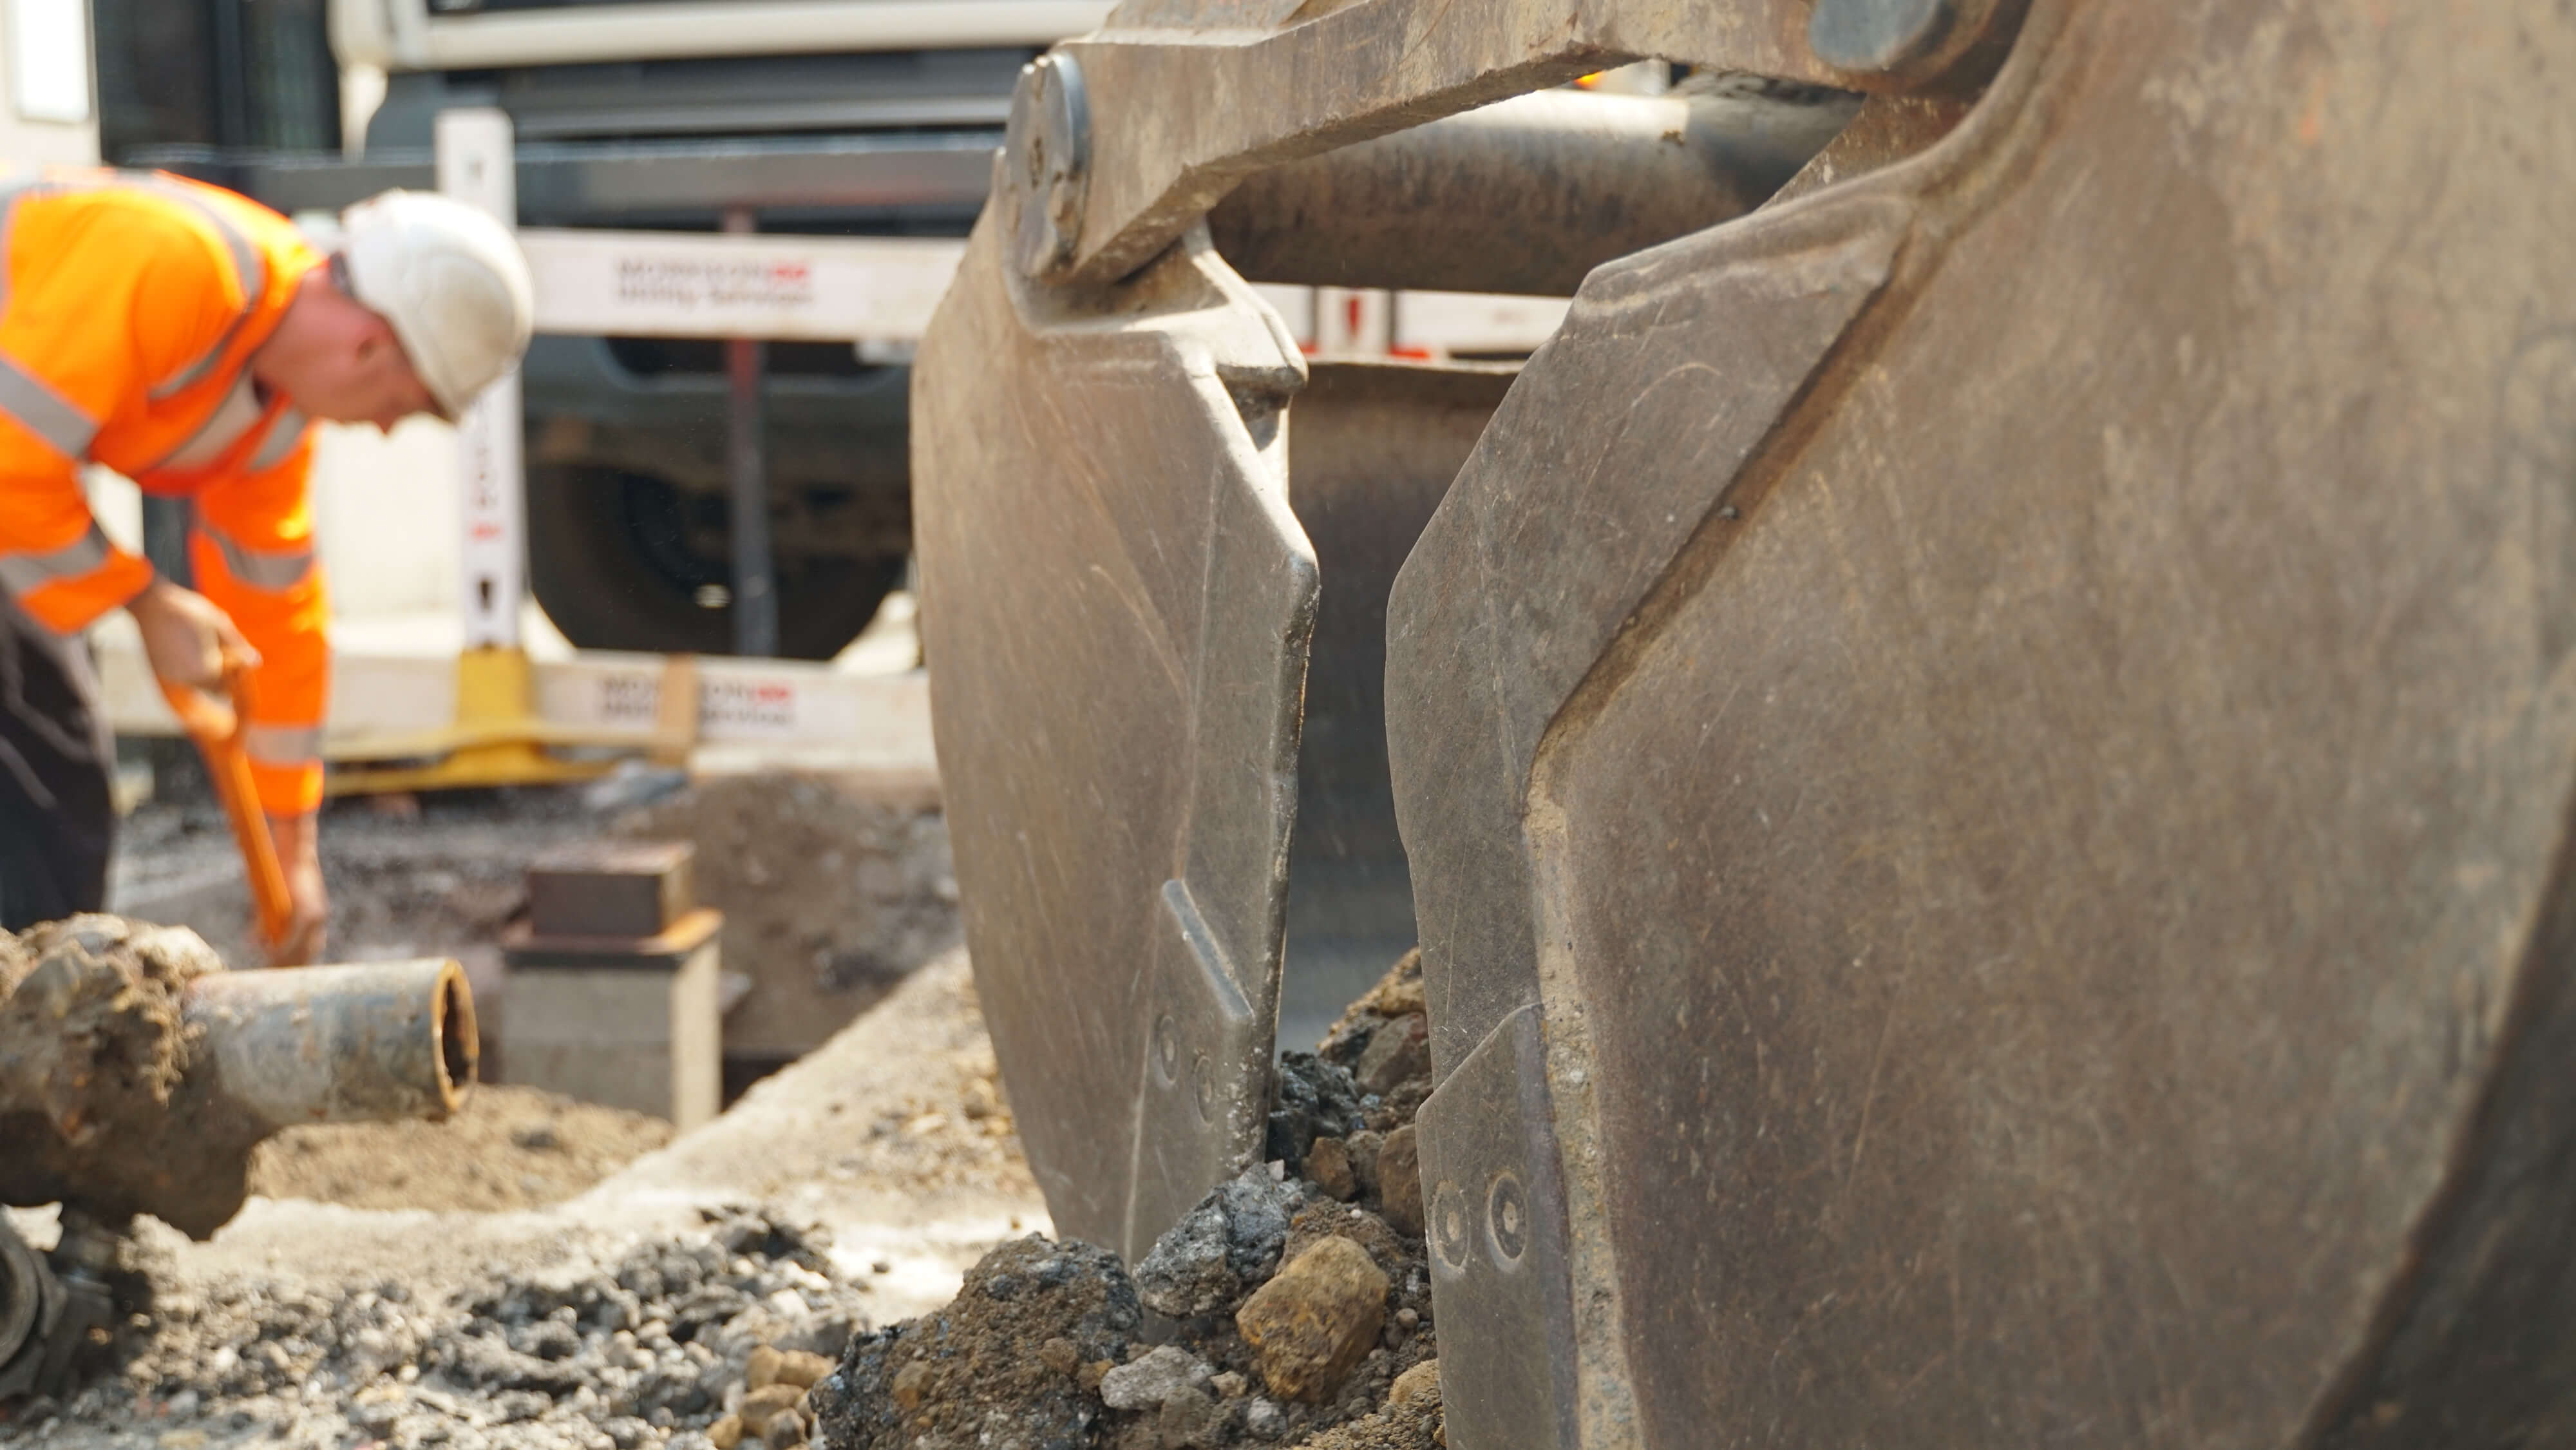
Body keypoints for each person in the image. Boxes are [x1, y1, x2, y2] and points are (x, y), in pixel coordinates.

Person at [0, 170, 533, 960]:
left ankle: (28, 1040)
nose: (385, 431)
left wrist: (291, 853)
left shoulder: (271, 418)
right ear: (369, 347)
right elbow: (11, 457)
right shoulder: (181, 266)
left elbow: (275, 629)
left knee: (53, 774)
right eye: (402, 407)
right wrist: (146, 602)